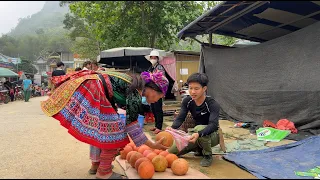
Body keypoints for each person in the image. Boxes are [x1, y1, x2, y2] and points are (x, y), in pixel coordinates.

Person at [41, 70, 169, 179]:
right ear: (152, 89)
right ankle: (104, 172)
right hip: (95, 89)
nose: (157, 100)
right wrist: (152, 145)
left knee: (101, 131)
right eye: (159, 96)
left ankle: (96, 164)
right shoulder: (135, 92)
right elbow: (132, 125)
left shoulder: (134, 84)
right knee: (114, 132)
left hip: (93, 86)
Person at [167, 73, 221, 167]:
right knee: (171, 152)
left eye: (196, 88)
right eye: (190, 88)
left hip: (213, 136)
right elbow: (180, 118)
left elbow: (213, 125)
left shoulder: (212, 104)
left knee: (198, 128)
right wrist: (171, 129)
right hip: (195, 135)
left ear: (204, 89)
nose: (192, 92)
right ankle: (198, 148)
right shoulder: (187, 101)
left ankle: (208, 155)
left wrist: (199, 134)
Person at [145, 50, 166, 134]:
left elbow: (161, 78)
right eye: (152, 57)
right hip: (152, 91)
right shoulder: (151, 68)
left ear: (157, 58)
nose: (153, 59)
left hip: (158, 91)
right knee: (153, 108)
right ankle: (156, 125)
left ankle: (159, 127)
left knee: (158, 109)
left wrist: (151, 77)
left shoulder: (159, 67)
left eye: (154, 57)